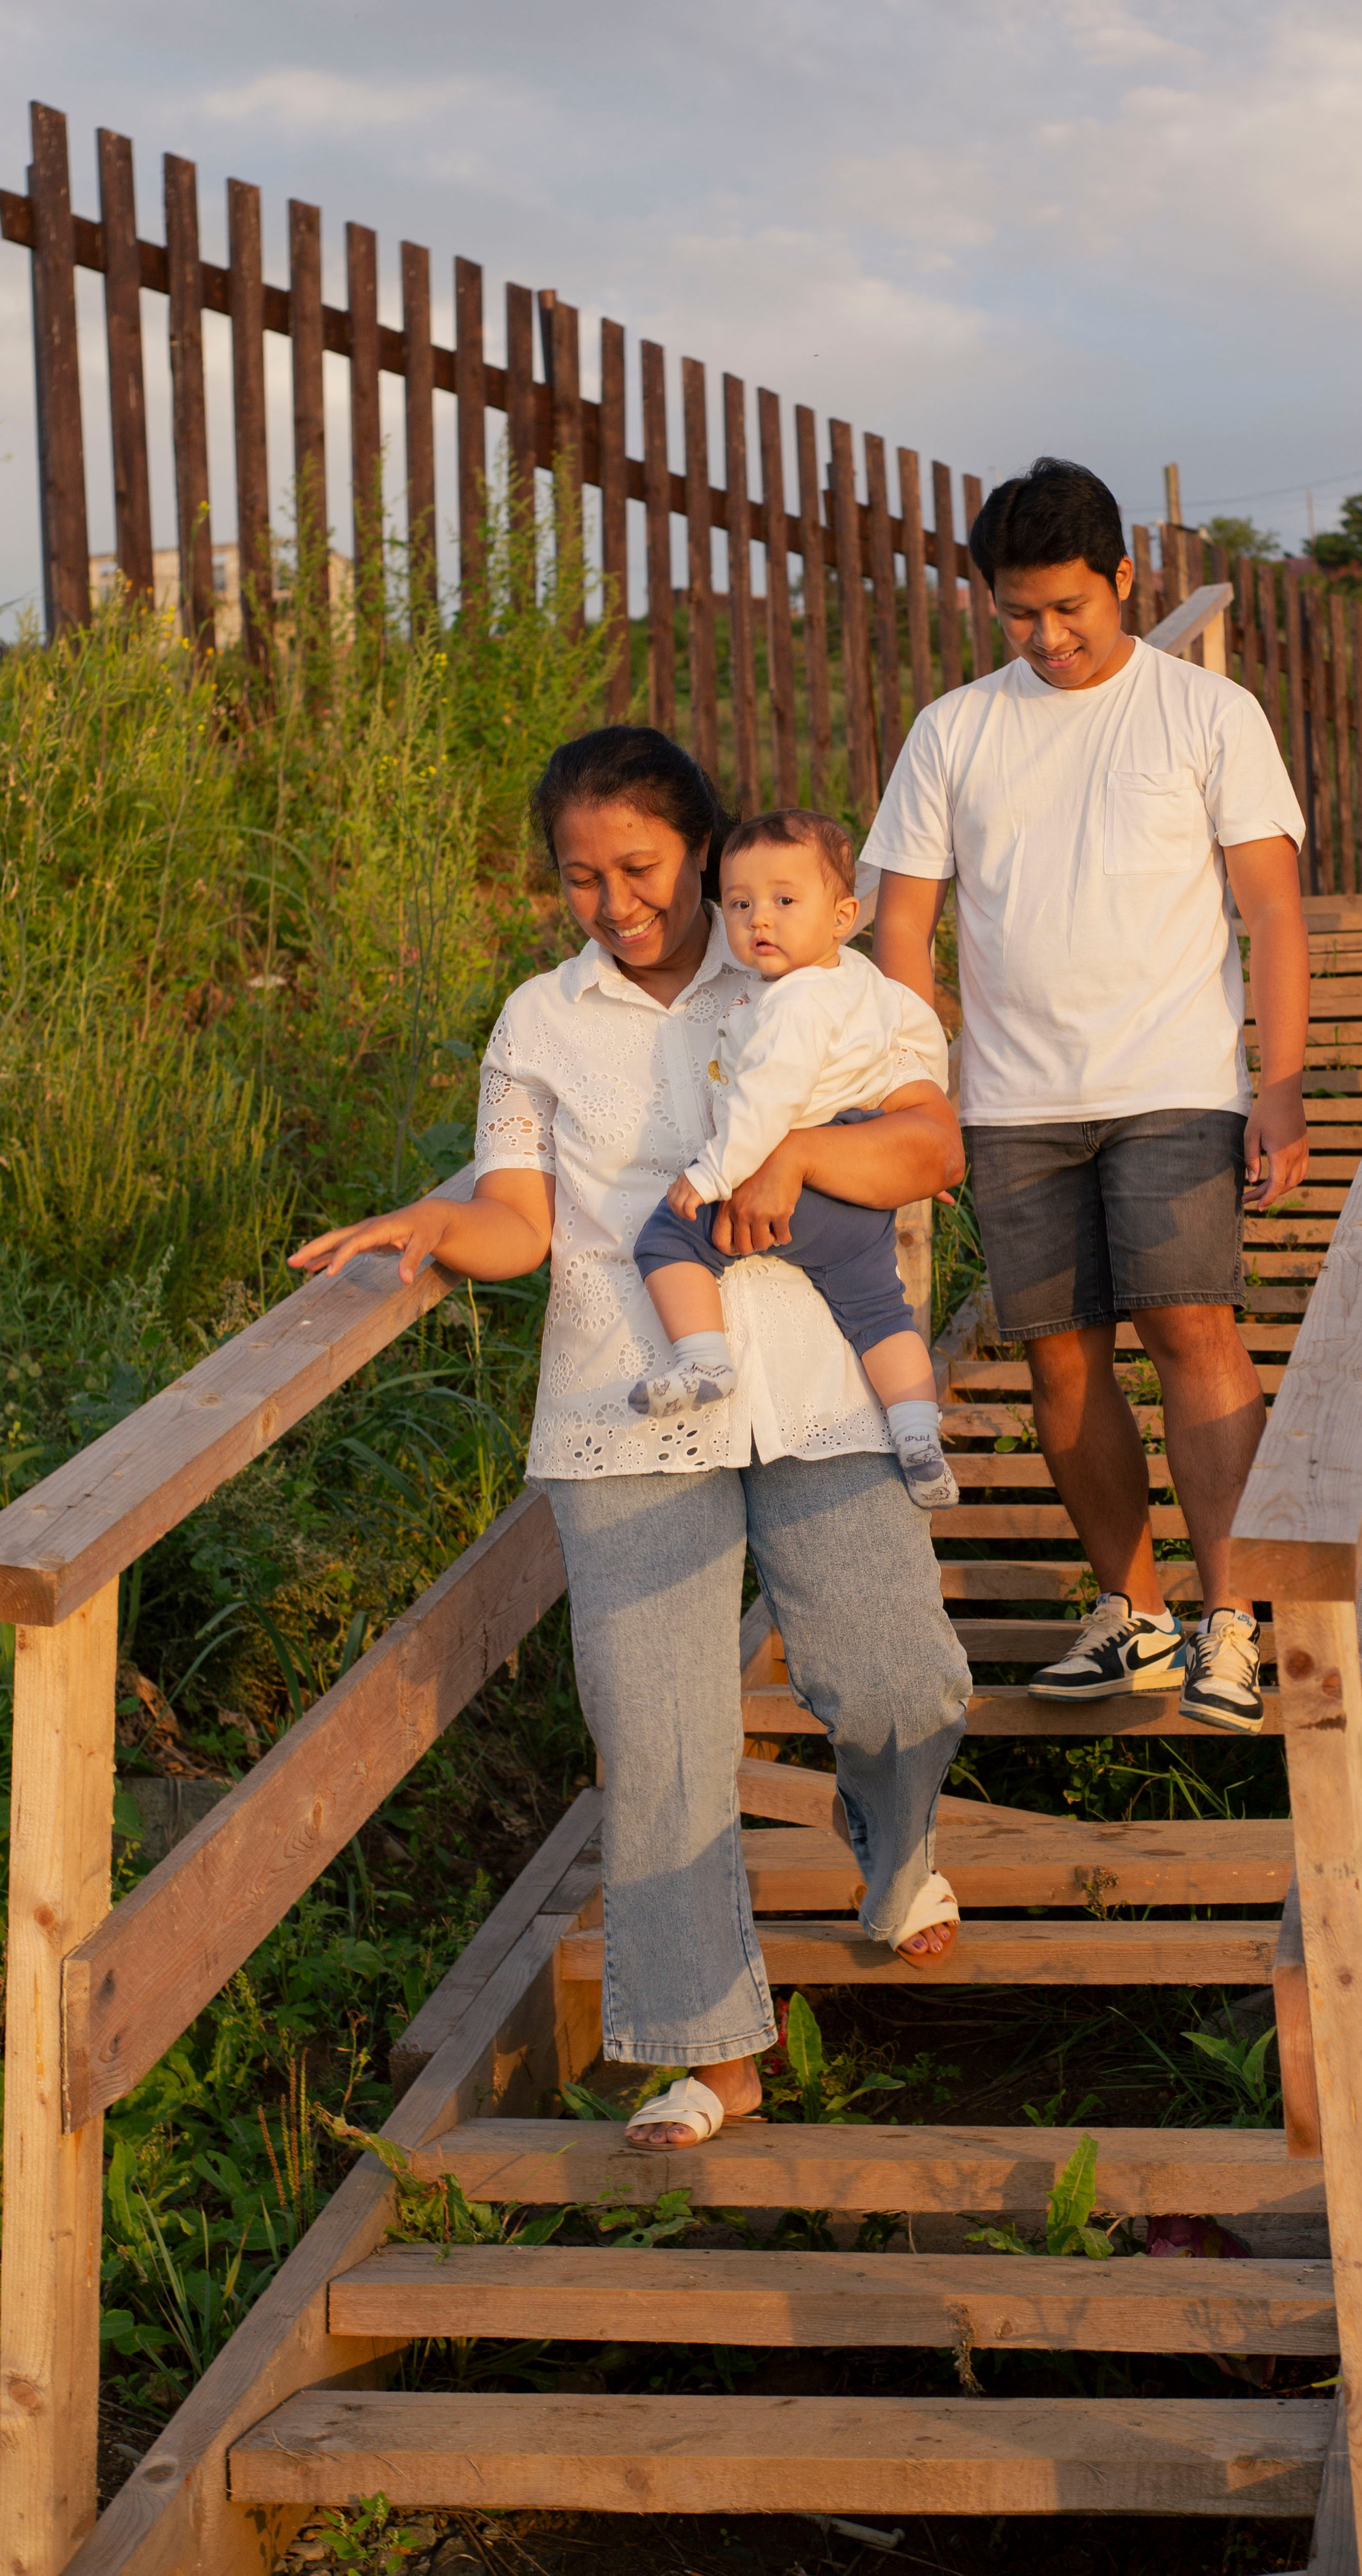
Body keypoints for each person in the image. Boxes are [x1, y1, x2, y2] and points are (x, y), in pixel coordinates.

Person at [290, 725, 970, 2149]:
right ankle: (705, 2049)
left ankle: (893, 1845)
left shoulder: (811, 969)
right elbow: (520, 1221)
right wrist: (433, 1224)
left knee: (897, 1683)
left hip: (815, 1378)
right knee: (656, 1746)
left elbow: (927, 1148)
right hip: (625, 1400)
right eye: (580, 877)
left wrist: (793, 1156)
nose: (615, 903)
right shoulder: (541, 1020)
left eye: (642, 867)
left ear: (706, 850)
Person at [868, 458, 1310, 1735]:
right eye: (1020, 614)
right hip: (1011, 1101)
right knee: (1059, 1362)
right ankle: (1135, 1620)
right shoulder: (955, 730)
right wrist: (921, 1091)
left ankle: (1232, 1621)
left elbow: (1271, 909)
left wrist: (1277, 1086)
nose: (1049, 637)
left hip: (1175, 1080)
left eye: (1072, 607)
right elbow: (902, 928)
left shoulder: (1208, 714)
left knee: (1191, 1330)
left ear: (1127, 579)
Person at [628, 804, 957, 1511]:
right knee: (878, 1312)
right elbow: (919, 1043)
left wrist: (711, 1174)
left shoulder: (791, 1003)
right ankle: (917, 1432)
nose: (759, 921)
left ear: (842, 917)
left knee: (666, 1239)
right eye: (741, 904)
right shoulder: (862, 983)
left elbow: (766, 1103)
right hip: (856, 1187)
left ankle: (704, 1363)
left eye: (783, 901)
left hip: (787, 1181)